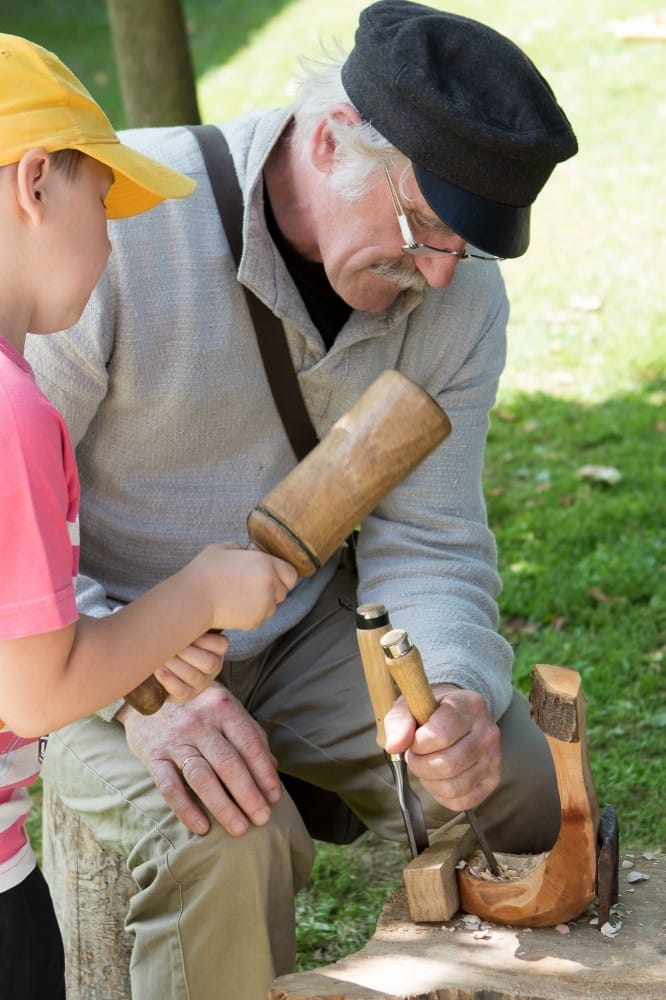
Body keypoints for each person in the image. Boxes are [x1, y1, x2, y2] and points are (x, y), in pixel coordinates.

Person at [25, 2, 579, 997]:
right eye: (423, 226)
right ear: (330, 141)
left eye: (469, 245)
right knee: (229, 843)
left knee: (515, 782)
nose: (441, 272)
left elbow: (435, 541)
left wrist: (447, 689)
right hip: (98, 640)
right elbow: (15, 537)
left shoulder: (455, 295)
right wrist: (136, 687)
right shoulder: (113, 222)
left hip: (299, 630)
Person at [0, 33, 298, 1000]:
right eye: (105, 202)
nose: (115, 237)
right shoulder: (13, 413)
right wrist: (200, 591)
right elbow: (39, 694)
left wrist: (143, 636)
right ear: (35, 183)